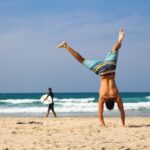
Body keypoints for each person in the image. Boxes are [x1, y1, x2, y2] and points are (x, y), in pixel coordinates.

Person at [57, 29, 125, 127]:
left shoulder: (116, 96)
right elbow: (100, 113)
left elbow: (122, 110)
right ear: (106, 103)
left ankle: (120, 38)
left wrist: (124, 124)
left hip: (110, 68)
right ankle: (66, 46)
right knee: (82, 60)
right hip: (101, 71)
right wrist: (103, 124)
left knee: (115, 48)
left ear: (114, 102)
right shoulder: (102, 97)